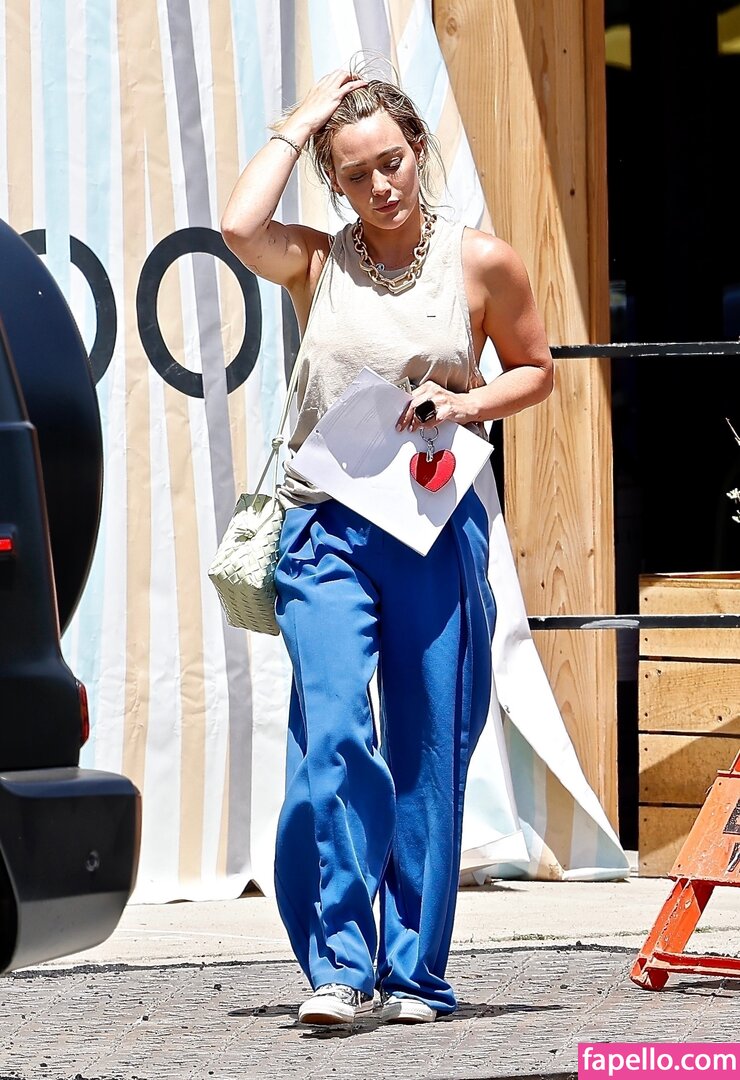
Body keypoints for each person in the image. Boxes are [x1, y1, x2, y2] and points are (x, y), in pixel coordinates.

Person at [221, 68, 553, 1027]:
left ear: (418, 152)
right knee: (331, 736)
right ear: (335, 181)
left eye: (394, 162)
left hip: (431, 526)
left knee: (429, 748)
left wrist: (464, 401)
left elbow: (535, 370)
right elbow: (240, 228)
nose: (381, 185)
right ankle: (338, 965)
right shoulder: (318, 261)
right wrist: (301, 122)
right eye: (358, 172)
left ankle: (413, 972)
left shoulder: (481, 260)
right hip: (324, 525)